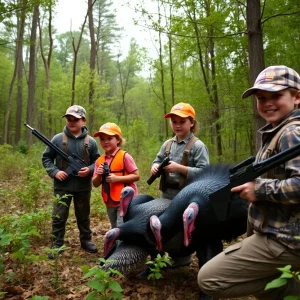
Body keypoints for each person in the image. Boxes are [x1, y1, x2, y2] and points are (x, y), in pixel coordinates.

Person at [198, 65, 300, 299]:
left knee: (209, 279)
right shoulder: (276, 131)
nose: (267, 103)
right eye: (261, 98)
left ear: (297, 97)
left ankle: (289, 288)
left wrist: (259, 189)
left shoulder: (292, 132)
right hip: (274, 232)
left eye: (276, 96)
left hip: (285, 240)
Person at [42, 105, 100, 259]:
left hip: (83, 186)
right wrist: (55, 172)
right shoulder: (57, 139)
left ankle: (86, 240)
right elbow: (47, 158)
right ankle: (57, 244)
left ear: (83, 120)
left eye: (76, 119)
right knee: (59, 215)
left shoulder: (91, 142)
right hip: (62, 185)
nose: (72, 121)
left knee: (83, 215)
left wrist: (89, 169)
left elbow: (98, 161)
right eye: (69, 118)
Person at [151, 102, 209, 200]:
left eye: (182, 122)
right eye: (174, 122)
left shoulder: (198, 146)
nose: (177, 125)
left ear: (192, 123)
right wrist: (155, 166)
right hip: (165, 195)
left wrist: (179, 168)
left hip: (188, 196)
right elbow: (157, 160)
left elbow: (205, 173)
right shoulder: (167, 144)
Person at [92, 122, 140, 229]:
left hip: (125, 200)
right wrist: (99, 175)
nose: (106, 142)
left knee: (121, 227)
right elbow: (95, 184)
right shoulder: (99, 160)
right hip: (109, 202)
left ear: (118, 139)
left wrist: (117, 178)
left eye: (109, 138)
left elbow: (136, 176)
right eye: (102, 139)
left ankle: (122, 245)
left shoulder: (124, 156)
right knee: (114, 227)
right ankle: (116, 245)